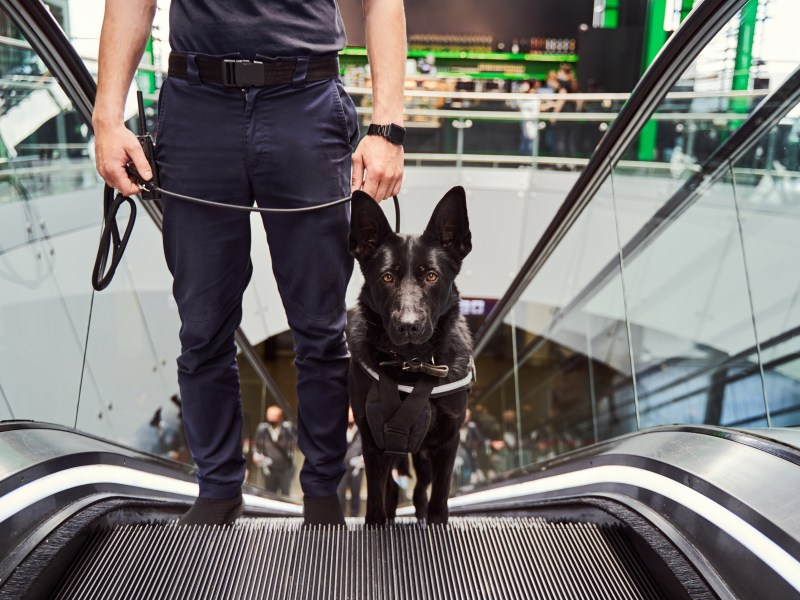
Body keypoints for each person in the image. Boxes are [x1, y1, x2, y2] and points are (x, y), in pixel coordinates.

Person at [93, 0, 407, 526]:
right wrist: (106, 118)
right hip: (196, 107)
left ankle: (323, 496)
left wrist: (389, 126)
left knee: (320, 328)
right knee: (202, 327)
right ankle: (217, 490)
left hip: (305, 101)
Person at [253, 406, 295, 495]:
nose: (271, 417)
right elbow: (256, 446)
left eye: (274, 415)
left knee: (285, 494)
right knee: (269, 493)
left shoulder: (287, 430)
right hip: (269, 467)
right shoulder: (262, 429)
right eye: (269, 415)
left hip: (285, 468)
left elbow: (293, 445)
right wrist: (256, 455)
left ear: (280, 417)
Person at [337, 408, 363, 517]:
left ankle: (355, 516)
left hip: (357, 467)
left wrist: (362, 459)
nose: (350, 417)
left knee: (356, 493)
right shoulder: (338, 428)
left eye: (352, 414)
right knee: (340, 494)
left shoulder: (361, 430)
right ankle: (340, 518)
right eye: (348, 414)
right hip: (341, 467)